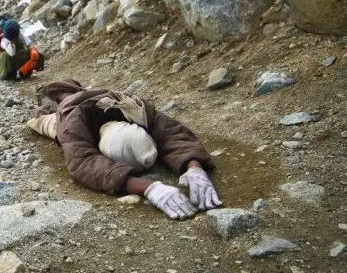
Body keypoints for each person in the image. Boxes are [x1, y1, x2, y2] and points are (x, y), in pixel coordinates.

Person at [35, 79, 221, 220]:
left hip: (85, 98)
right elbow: (82, 162)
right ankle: (45, 106)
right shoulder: (71, 122)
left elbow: (170, 132)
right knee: (40, 121)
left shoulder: (131, 107)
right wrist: (149, 188)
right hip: (68, 109)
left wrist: (194, 169)